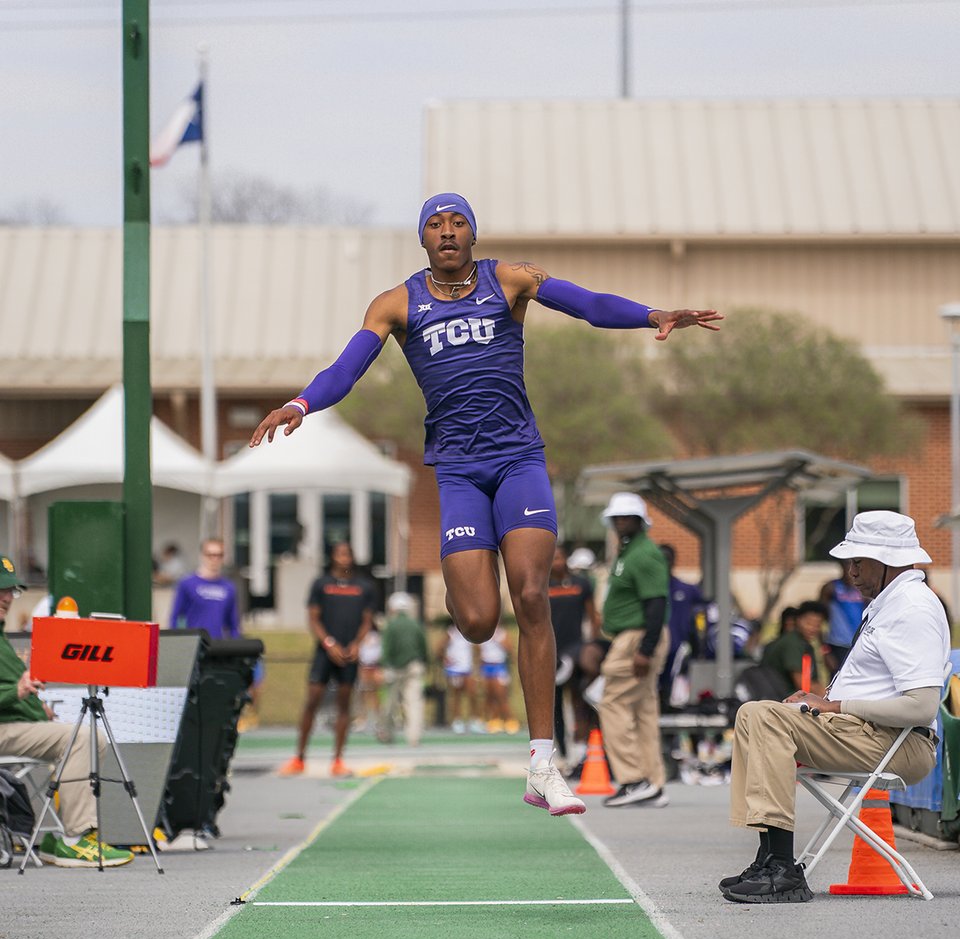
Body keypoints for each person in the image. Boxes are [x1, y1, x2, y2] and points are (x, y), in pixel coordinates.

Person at [250, 191, 721, 817]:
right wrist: (301, 403)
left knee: (530, 594)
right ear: (423, 240)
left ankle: (542, 763)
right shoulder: (396, 303)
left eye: (458, 224)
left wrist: (651, 314)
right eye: (435, 226)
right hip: (459, 472)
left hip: (519, 461)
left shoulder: (510, 279)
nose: (447, 233)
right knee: (474, 621)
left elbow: (587, 304)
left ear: (473, 235)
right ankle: (464, 576)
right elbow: (347, 367)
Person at [720, 511, 949, 905]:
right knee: (752, 713)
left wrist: (832, 705)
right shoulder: (890, 602)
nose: (850, 571)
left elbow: (920, 706)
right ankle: (770, 858)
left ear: (888, 559)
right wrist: (821, 705)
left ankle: (781, 868)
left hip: (900, 744)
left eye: (858, 561)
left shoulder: (913, 609)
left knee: (763, 716)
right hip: (867, 733)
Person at [0, 556, 132, 866]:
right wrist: (16, 692)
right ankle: (74, 838)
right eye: (1, 590)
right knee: (83, 738)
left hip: (12, 726)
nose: (8, 597)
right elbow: (12, 690)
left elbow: (15, 690)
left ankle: (59, 840)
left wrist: (35, 706)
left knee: (85, 737)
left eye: (11, 591)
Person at [596, 493, 672, 808]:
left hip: (637, 637)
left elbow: (656, 603)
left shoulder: (643, 553)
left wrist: (646, 648)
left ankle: (632, 778)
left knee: (611, 702)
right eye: (616, 518)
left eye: (626, 518)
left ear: (640, 522)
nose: (620, 523)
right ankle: (652, 782)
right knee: (642, 709)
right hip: (635, 636)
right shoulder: (630, 551)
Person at [280, 541, 375, 778]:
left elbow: (367, 621)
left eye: (348, 553)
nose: (344, 558)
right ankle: (299, 758)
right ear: (332, 557)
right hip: (325, 653)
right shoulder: (321, 584)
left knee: (344, 705)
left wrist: (356, 644)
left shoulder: (364, 586)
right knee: (312, 701)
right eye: (340, 553)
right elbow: (313, 619)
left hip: (349, 654)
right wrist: (328, 643)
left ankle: (338, 760)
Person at [549, 542, 601, 764]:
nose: (556, 562)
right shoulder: (542, 585)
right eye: (552, 558)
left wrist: (593, 644)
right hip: (551, 651)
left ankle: (580, 748)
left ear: (567, 560)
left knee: (579, 700)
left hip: (576, 649)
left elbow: (594, 616)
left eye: (560, 557)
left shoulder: (581, 584)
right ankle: (561, 751)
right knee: (554, 704)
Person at [658, 543, 705, 710]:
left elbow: (702, 617)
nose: (664, 563)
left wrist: (698, 646)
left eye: (667, 559)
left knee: (676, 696)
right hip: (654, 650)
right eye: (660, 559)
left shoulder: (687, 590)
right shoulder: (649, 590)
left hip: (680, 652)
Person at [378, 592, 429, 747]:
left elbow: (386, 649)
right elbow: (424, 647)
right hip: (414, 666)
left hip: (394, 668)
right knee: (414, 703)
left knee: (390, 703)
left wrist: (384, 665)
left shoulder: (390, 625)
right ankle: (414, 737)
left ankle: (387, 733)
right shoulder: (416, 624)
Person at [168, 538, 240, 639]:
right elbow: (176, 617)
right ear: (202, 555)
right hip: (195, 644)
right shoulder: (187, 584)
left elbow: (233, 624)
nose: (215, 559)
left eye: (219, 555)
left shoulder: (229, 587)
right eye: (210, 555)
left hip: (219, 646)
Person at [758, 599, 831, 700]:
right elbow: (802, 684)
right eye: (809, 623)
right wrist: (828, 698)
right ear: (798, 620)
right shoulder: (792, 643)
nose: (812, 628)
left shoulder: (805, 644)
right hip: (781, 699)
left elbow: (813, 681)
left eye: (817, 625)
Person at [819, 561, 864, 670]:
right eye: (847, 567)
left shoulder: (862, 589)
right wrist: (825, 651)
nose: (851, 572)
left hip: (859, 644)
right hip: (837, 645)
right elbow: (818, 621)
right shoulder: (831, 588)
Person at [479, 624, 519, 733]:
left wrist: (498, 640)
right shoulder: (483, 633)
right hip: (486, 666)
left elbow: (510, 649)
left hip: (498, 666)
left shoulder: (502, 633)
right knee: (490, 695)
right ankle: (494, 721)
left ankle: (510, 720)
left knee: (501, 696)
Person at [443, 624, 482, 734]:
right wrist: (446, 658)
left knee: (472, 694)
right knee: (456, 696)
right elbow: (439, 648)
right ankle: (457, 721)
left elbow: (477, 648)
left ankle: (474, 721)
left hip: (467, 669)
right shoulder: (451, 632)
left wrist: (477, 663)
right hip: (455, 670)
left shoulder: (468, 632)